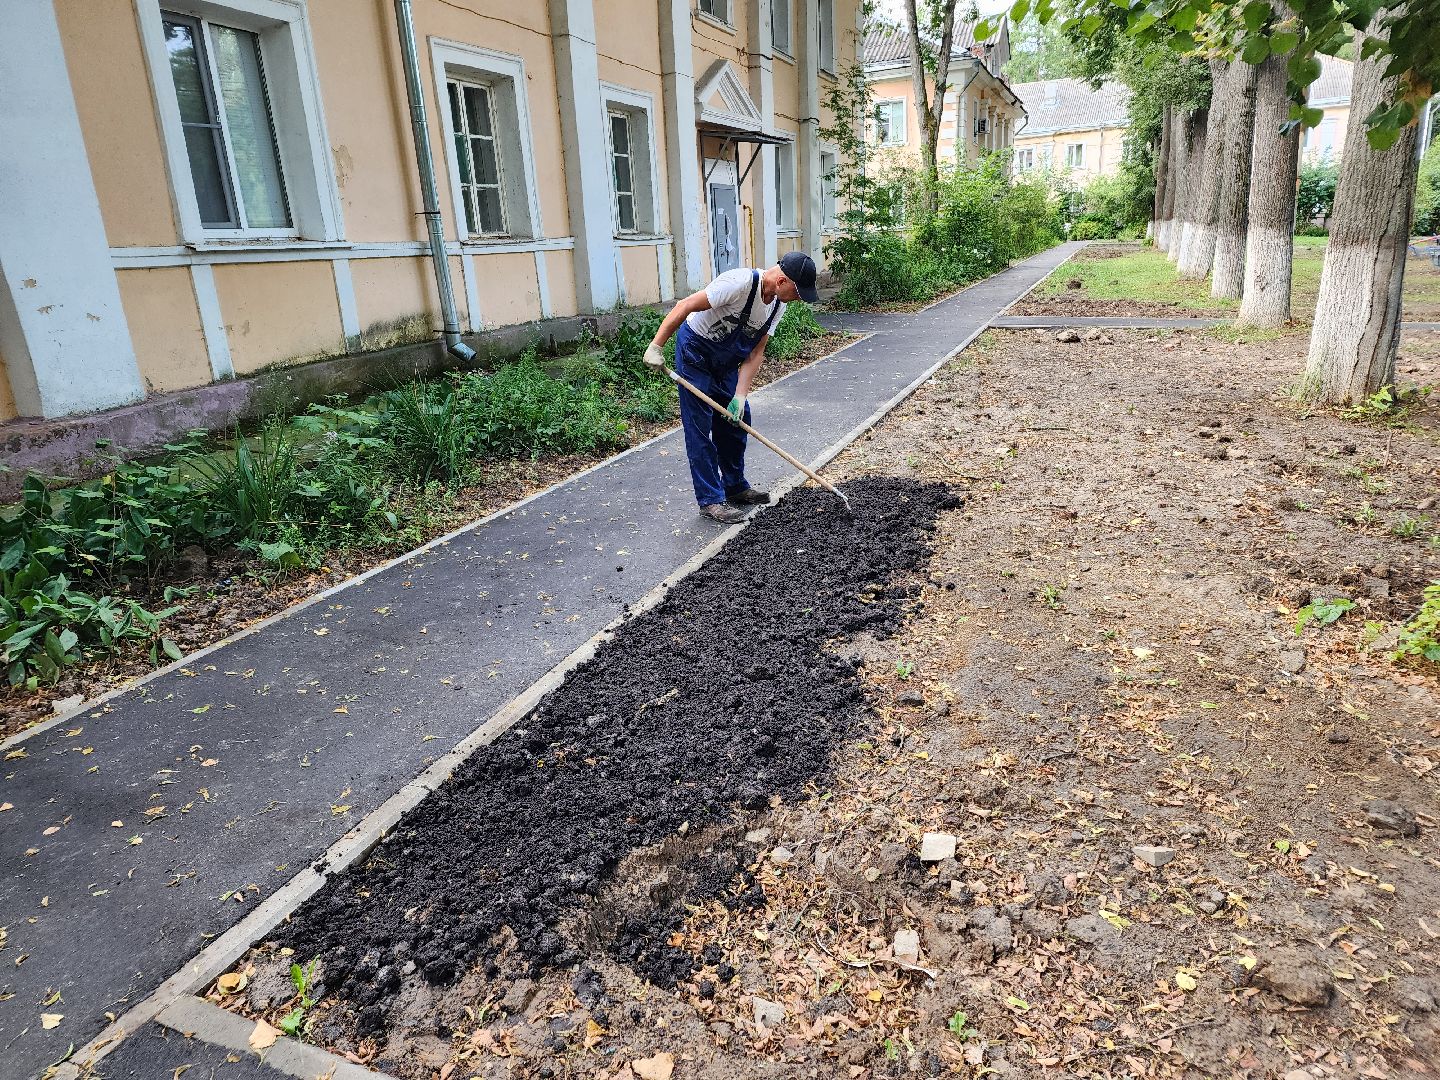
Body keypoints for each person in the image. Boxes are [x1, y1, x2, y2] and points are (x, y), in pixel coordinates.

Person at [644, 251, 820, 524]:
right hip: (696, 354)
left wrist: (739, 395)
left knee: (737, 420)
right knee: (700, 427)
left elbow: (755, 353)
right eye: (798, 293)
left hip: (726, 362)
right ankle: (711, 500)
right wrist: (657, 345)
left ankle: (735, 487)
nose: (798, 299)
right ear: (783, 281)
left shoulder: (776, 305)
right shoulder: (738, 283)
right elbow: (686, 305)